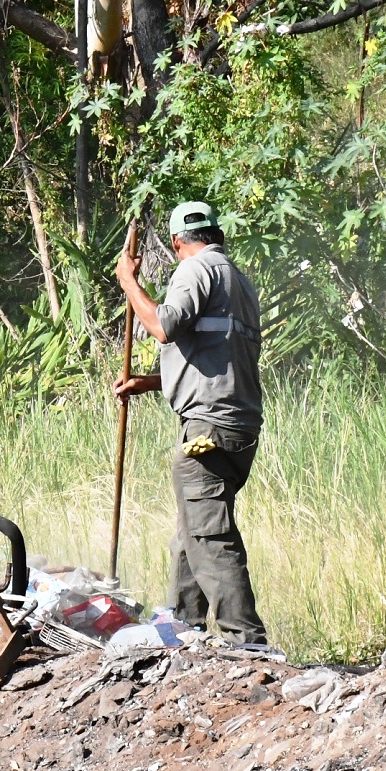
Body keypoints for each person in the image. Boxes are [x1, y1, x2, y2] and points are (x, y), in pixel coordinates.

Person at [113, 200, 268, 645]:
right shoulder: (239, 281)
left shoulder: (195, 270)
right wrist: (150, 382)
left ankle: (249, 642)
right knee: (192, 527)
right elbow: (217, 359)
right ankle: (184, 625)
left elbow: (163, 326)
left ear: (179, 241)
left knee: (208, 534)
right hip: (238, 425)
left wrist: (129, 281)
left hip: (208, 427)